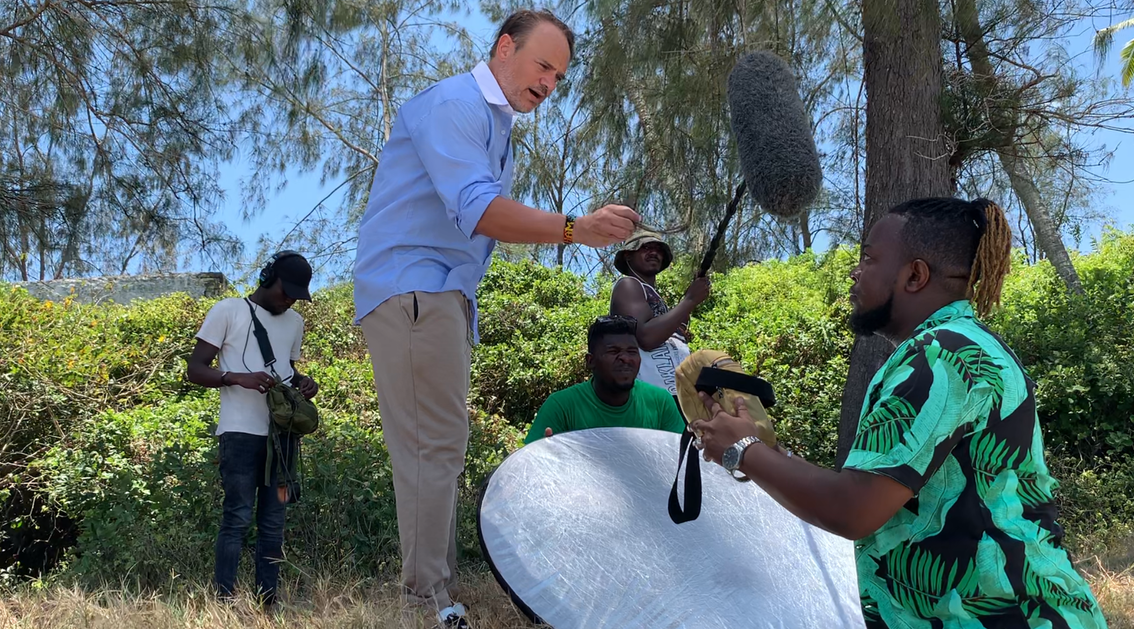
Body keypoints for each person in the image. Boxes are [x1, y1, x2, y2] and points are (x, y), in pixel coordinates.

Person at [691, 197, 1107, 628]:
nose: (855, 272)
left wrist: (742, 449)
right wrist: (761, 447)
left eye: (868, 258)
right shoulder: (958, 345)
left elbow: (854, 509)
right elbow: (872, 490)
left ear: (914, 275)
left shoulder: (940, 356)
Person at [351, 9, 639, 627]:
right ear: (504, 48)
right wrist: (574, 229)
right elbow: (477, 209)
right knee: (432, 447)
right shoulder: (453, 104)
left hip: (439, 296)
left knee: (440, 447)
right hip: (414, 291)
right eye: (542, 66)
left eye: (559, 78)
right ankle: (427, 602)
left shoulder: (494, 124)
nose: (548, 85)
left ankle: (436, 594)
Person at [186, 251, 320, 609]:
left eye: (296, 294)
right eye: (286, 290)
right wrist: (235, 378)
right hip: (240, 435)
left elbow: (287, 369)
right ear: (267, 278)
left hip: (283, 439)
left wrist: (305, 383)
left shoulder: (294, 323)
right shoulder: (228, 310)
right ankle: (225, 601)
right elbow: (195, 369)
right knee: (238, 517)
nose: (290, 299)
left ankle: (268, 602)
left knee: (274, 521)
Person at [525, 315, 686, 445]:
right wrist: (544, 454)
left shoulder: (660, 402)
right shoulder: (561, 406)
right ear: (590, 361)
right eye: (613, 351)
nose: (625, 358)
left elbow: (679, 459)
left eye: (631, 351)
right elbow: (533, 467)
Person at [610, 228, 710, 398]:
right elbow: (646, 338)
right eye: (646, 248)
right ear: (628, 255)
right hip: (648, 398)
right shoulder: (628, 285)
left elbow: (675, 330)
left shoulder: (654, 297)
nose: (654, 252)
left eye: (659, 249)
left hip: (678, 394)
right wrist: (690, 300)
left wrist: (690, 298)